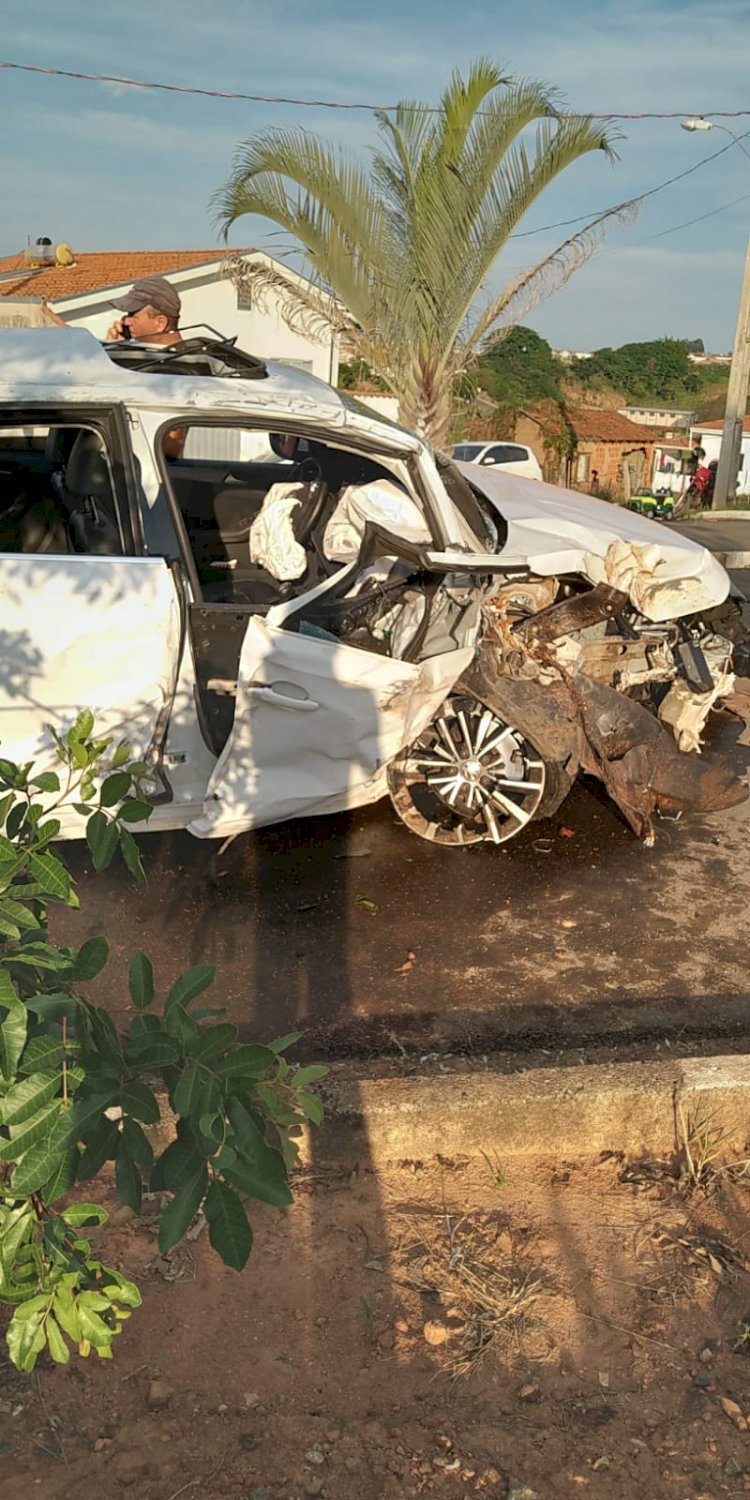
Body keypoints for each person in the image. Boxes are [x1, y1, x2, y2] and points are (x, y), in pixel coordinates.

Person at [105, 276, 182, 346]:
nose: (125, 322)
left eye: (133, 315)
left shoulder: (179, 360)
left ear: (160, 323)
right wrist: (116, 350)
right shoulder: (149, 356)